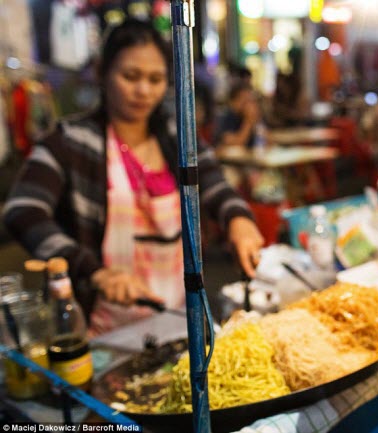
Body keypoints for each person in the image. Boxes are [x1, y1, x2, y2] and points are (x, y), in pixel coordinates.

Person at [2, 20, 263, 335]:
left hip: (179, 317)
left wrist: (238, 219)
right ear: (102, 73)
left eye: (155, 79)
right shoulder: (70, 142)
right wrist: (95, 272)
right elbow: (23, 210)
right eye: (130, 76)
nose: (143, 90)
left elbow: (214, 185)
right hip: (100, 327)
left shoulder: (176, 136)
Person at [215, 83, 261, 150]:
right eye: (244, 100)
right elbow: (234, 142)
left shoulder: (246, 117)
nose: (247, 105)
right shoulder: (226, 116)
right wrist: (248, 121)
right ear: (232, 102)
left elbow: (263, 140)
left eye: (249, 100)